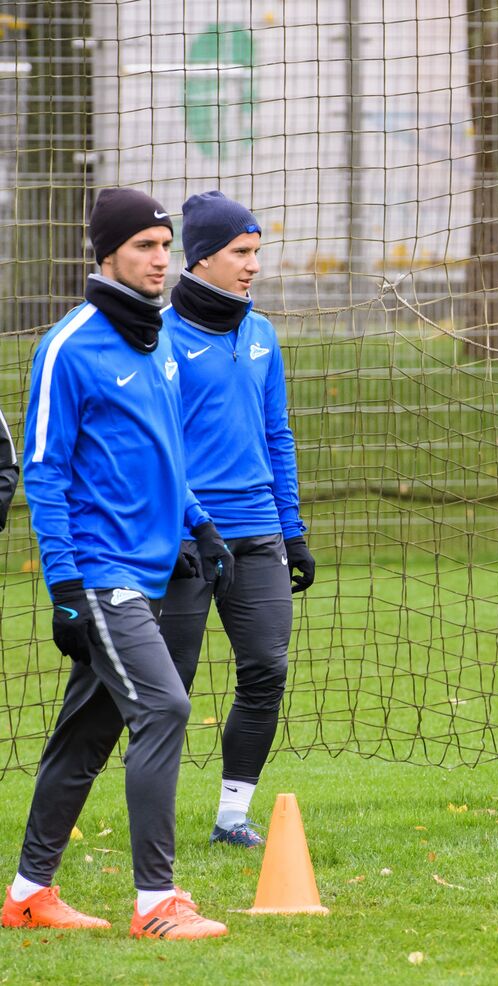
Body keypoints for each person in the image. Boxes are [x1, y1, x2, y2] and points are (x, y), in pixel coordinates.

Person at [2, 188, 233, 939]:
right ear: (106, 253)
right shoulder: (69, 346)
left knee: (86, 736)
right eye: (144, 247)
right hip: (102, 574)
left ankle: (29, 894)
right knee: (163, 708)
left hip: (156, 566)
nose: (160, 260)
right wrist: (64, 584)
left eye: (166, 246)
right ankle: (155, 902)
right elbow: (43, 471)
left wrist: (201, 525)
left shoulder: (157, 339)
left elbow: (169, 451)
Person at [159, 190, 314, 848]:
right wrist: (175, 530)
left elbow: (276, 435)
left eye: (257, 253)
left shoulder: (261, 334)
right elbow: (155, 447)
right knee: (170, 691)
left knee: (267, 670)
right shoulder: (160, 338)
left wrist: (293, 528)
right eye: (241, 253)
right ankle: (153, 825)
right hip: (190, 541)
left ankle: (232, 817)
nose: (253, 266)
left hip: (259, 536)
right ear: (200, 259)